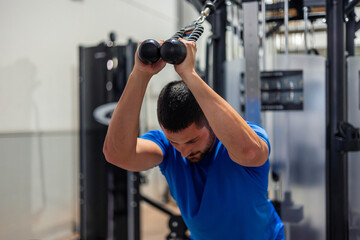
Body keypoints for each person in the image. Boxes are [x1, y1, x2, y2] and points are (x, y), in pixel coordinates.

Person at [103, 39, 284, 240]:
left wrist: (189, 74)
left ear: (211, 123)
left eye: (191, 141)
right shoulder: (167, 149)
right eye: (174, 142)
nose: (183, 152)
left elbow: (250, 152)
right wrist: (140, 74)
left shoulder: (245, 137)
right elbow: (116, 154)